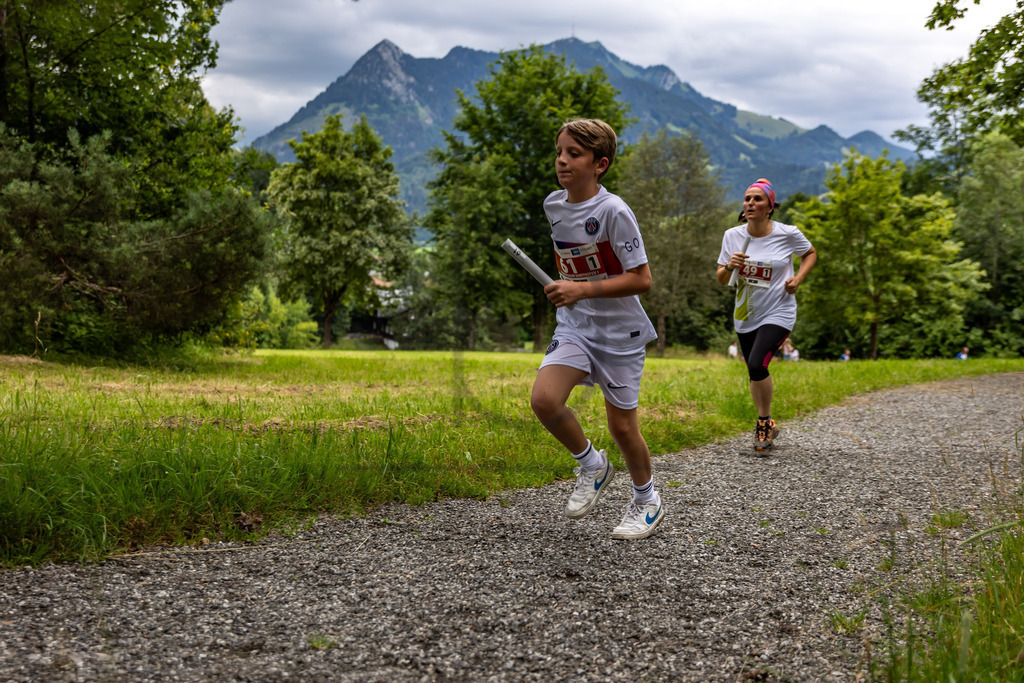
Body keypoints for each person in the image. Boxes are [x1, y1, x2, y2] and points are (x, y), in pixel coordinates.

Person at [530, 118, 664, 540]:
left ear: (600, 164)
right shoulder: (554, 205)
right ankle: (591, 464)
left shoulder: (614, 211)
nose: (562, 161)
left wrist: (580, 289)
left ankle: (647, 499)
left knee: (623, 428)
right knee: (545, 401)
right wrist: (570, 293)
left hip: (619, 336)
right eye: (560, 152)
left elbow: (641, 279)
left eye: (575, 154)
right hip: (575, 327)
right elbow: (574, 263)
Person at [717, 178, 817, 453]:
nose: (750, 203)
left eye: (757, 199)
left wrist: (798, 278)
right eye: (747, 199)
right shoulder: (733, 236)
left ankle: (763, 423)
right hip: (746, 313)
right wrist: (729, 265)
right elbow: (721, 278)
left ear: (770, 206)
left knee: (758, 364)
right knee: (753, 369)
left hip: (779, 310)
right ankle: (768, 420)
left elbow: (809, 253)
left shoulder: (788, 233)